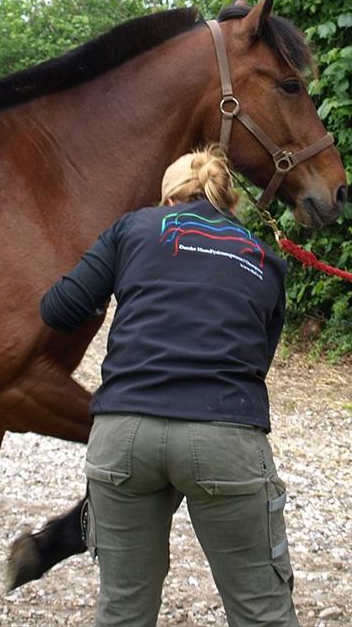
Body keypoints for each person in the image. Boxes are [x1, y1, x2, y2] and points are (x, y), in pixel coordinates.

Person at [34, 145, 298, 627]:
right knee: (262, 609)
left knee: (123, 607)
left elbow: (58, 310)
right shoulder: (265, 258)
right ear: (230, 202)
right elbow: (255, 363)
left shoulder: (133, 228)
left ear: (168, 199)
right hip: (224, 434)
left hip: (123, 436)